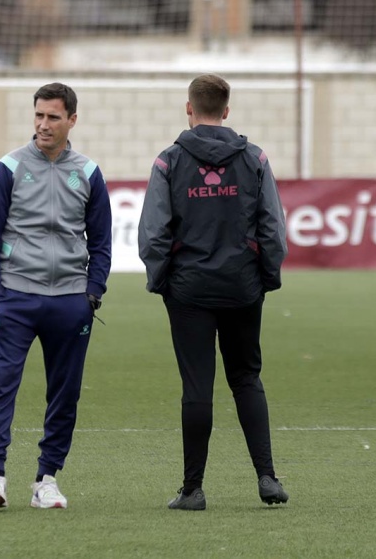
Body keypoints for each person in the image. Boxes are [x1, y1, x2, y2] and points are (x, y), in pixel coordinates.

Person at [138, 74, 289, 510]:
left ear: (189, 108)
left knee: (197, 386)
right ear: (226, 110)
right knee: (246, 378)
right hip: (242, 286)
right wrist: (266, 277)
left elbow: (153, 233)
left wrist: (161, 280)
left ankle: (193, 490)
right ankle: (267, 478)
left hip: (189, 291)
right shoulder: (255, 158)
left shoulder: (169, 161)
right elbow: (273, 228)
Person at [0, 82, 112, 510]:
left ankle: (46, 480)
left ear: (72, 120)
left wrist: (92, 293)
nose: (43, 124)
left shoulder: (88, 172)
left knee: (65, 393)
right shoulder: (9, 167)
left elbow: (101, 241)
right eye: (39, 115)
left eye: (53, 117)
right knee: (1, 384)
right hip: (15, 296)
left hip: (70, 301)